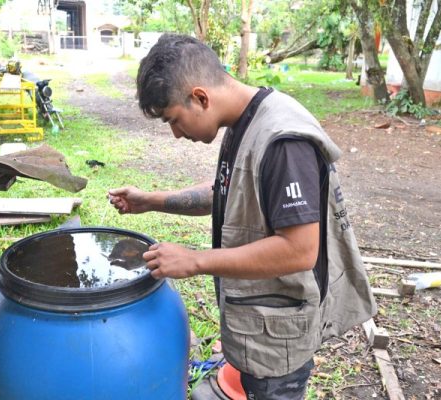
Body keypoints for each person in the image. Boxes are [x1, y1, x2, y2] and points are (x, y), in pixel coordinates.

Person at [108, 33, 376, 400]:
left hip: (278, 342)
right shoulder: (244, 118)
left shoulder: (284, 142)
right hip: (260, 325)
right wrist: (152, 200)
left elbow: (299, 250)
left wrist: (195, 260)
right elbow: (229, 191)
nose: (175, 134)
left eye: (174, 119)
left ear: (200, 97)